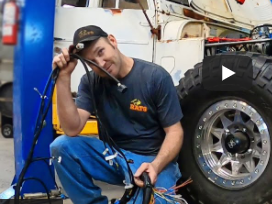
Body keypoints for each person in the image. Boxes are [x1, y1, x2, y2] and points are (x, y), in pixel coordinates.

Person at [50, 25, 184, 204]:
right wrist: (63, 77)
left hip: (154, 162)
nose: (101, 63)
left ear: (112, 41)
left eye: (100, 52)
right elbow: (71, 129)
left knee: (157, 201)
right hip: (115, 157)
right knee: (61, 147)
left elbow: (175, 132)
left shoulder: (155, 77)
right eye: (91, 62)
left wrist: (155, 166)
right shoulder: (90, 83)